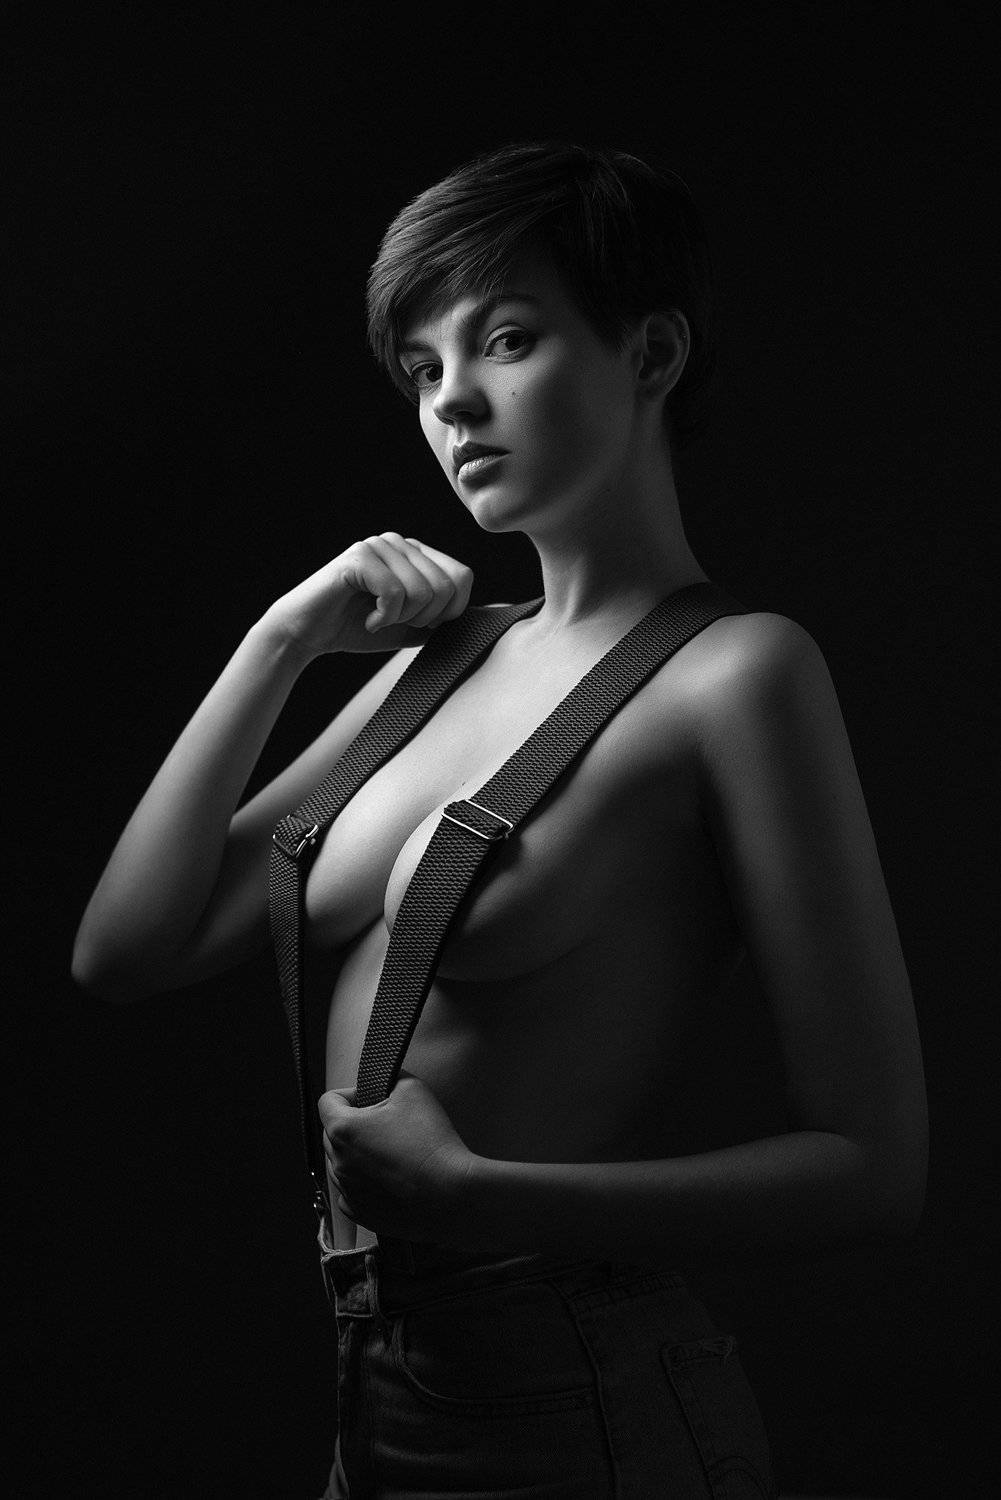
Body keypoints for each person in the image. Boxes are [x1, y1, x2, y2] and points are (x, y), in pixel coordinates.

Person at [73, 141, 928, 1498]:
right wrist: (278, 642)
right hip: (376, 1387)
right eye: (422, 369)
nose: (454, 401)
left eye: (508, 339)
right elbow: (127, 950)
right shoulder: (442, 663)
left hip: (578, 1399)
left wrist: (480, 1198)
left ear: (650, 354)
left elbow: (872, 1170)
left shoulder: (738, 677)